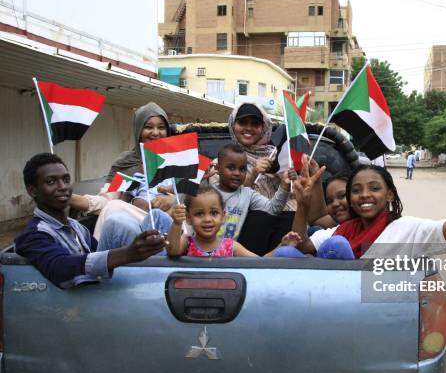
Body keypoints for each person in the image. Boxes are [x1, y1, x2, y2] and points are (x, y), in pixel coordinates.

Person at [291, 138, 446, 259]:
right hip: (332, 305)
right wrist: (302, 203)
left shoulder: (407, 229)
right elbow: (302, 246)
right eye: (356, 190)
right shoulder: (342, 230)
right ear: (351, 199)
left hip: (379, 312)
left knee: (337, 246)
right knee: (289, 255)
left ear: (389, 194)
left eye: (374, 188)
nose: (364, 195)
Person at [14, 153, 165, 289]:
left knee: (156, 217)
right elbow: (60, 268)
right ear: (33, 190)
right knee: (116, 222)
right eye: (51, 182)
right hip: (70, 310)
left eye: (66, 180)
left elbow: (99, 253)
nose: (63, 187)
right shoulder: (33, 235)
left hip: (96, 299)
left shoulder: (77, 227)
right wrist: (128, 253)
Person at [209, 102, 327, 254]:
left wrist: (286, 183)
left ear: (264, 128)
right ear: (233, 125)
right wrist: (253, 173)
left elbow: (280, 205)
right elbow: (228, 198)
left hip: (286, 234)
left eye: (255, 124)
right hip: (239, 240)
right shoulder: (219, 163)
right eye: (242, 122)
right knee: (259, 217)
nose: (248, 128)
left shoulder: (281, 155)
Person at [68, 102, 176, 239]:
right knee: (113, 206)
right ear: (138, 131)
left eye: (161, 128)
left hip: (174, 223)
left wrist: (172, 199)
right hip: (136, 222)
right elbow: (106, 201)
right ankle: (101, 257)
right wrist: (69, 197)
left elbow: (196, 195)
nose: (155, 133)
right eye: (148, 127)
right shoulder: (126, 163)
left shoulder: (178, 158)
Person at [167, 184, 301, 257]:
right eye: (199, 214)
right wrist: (177, 223)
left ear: (223, 216)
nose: (207, 219)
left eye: (214, 213)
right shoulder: (187, 241)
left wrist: (281, 247)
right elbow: (173, 250)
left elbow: (260, 263)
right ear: (188, 218)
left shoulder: (231, 246)